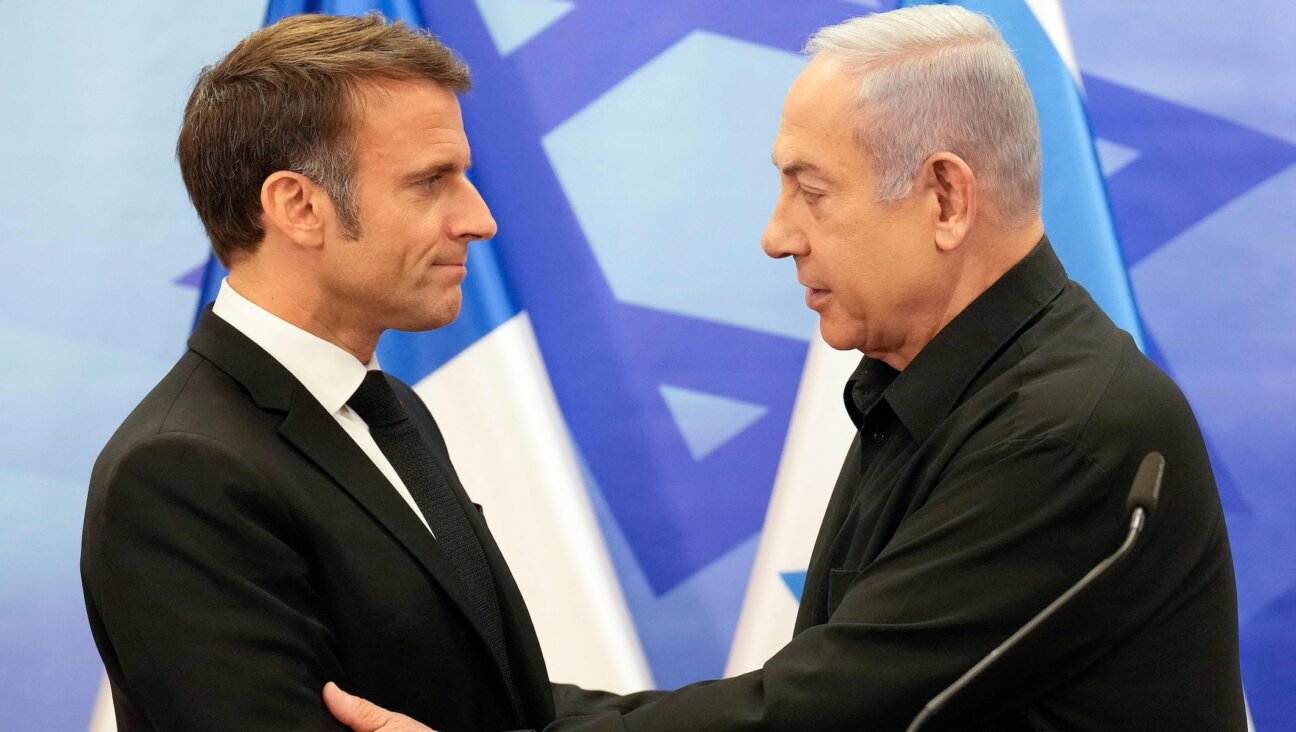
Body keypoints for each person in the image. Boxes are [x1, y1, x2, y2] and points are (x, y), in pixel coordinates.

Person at [325, 6, 1247, 731]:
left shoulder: (1069, 432)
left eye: (811, 190)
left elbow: (826, 715)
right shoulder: (939, 388)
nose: (777, 236)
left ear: (945, 198)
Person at [80, 13, 559, 731]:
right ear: (299, 207)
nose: (479, 219)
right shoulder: (179, 471)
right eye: (431, 182)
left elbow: (497, 707)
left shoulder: (390, 407)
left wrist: (782, 702)